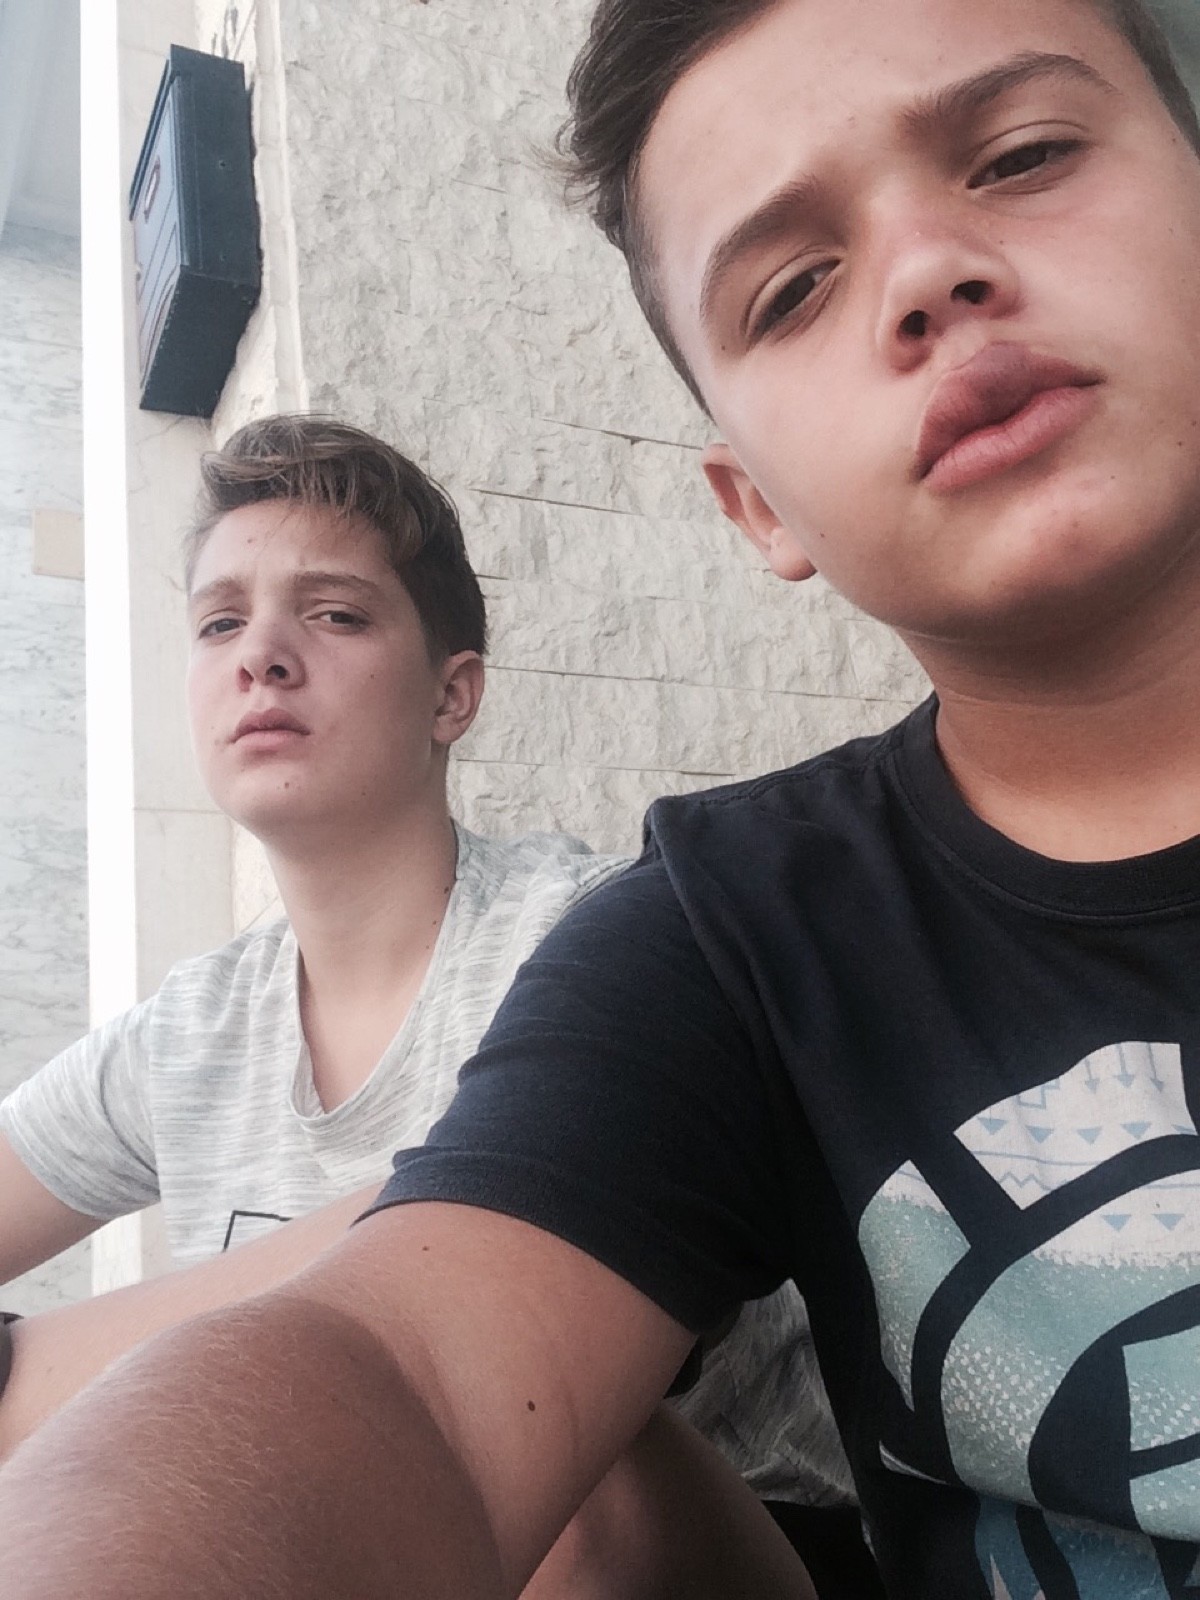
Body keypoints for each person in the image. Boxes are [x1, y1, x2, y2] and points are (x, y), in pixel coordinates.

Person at [2, 0, 1199, 1593]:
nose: (928, 272)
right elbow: (401, 1375)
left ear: (457, 693)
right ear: (755, 506)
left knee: (579, 1488)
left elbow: (418, 1313)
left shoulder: (585, 933)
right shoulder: (715, 942)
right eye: (793, 286)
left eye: (1026, 155)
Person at [0, 414, 836, 1597]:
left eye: (335, 614)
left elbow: (469, 1277)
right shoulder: (188, 1035)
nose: (261, 653)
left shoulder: (603, 938)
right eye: (219, 621)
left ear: (453, 695)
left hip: (735, 1551)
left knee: (513, 1440)